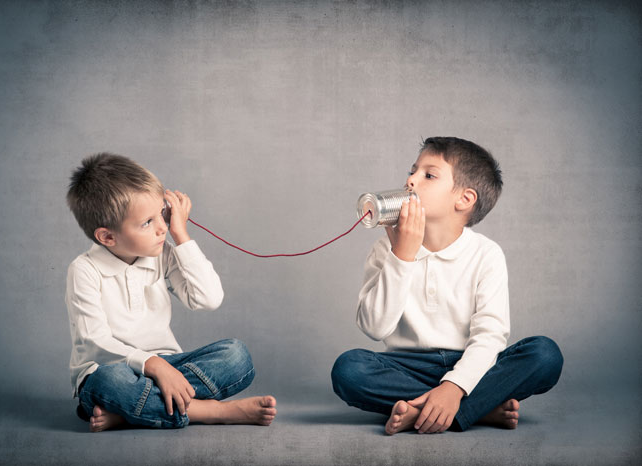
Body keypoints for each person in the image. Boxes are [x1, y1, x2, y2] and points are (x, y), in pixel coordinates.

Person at [331, 137, 563, 434]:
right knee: (349, 370)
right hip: (407, 366)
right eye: (412, 171)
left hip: (472, 363)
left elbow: (490, 336)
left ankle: (436, 409)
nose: (410, 181)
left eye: (428, 175)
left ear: (464, 199)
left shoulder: (486, 253)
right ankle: (476, 410)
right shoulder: (385, 249)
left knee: (544, 354)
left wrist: (454, 386)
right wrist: (402, 257)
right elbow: (374, 328)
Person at [65, 153, 276, 432]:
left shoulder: (161, 253)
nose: (162, 227)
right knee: (109, 383)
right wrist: (152, 365)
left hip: (171, 365)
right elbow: (95, 342)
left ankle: (130, 413)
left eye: (161, 214)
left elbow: (208, 298)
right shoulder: (85, 270)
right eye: (147, 222)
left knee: (237, 355)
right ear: (107, 237)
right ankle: (209, 411)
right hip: (113, 368)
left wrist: (182, 236)